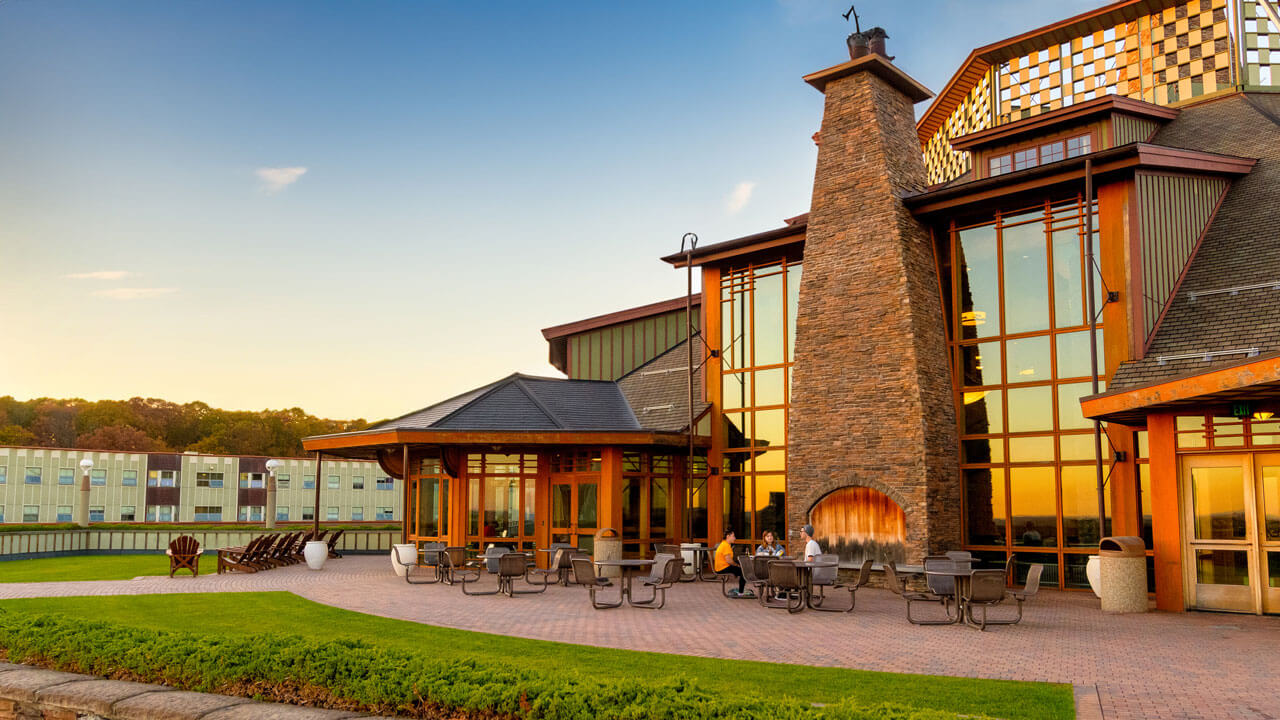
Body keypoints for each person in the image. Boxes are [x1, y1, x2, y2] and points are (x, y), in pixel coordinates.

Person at [714, 529, 748, 597]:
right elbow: (729, 561)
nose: (735, 538)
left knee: (741, 569)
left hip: (720, 567)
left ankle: (741, 591)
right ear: (728, 536)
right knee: (744, 572)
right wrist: (737, 565)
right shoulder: (726, 546)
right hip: (723, 568)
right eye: (733, 536)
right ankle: (741, 593)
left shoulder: (724, 544)